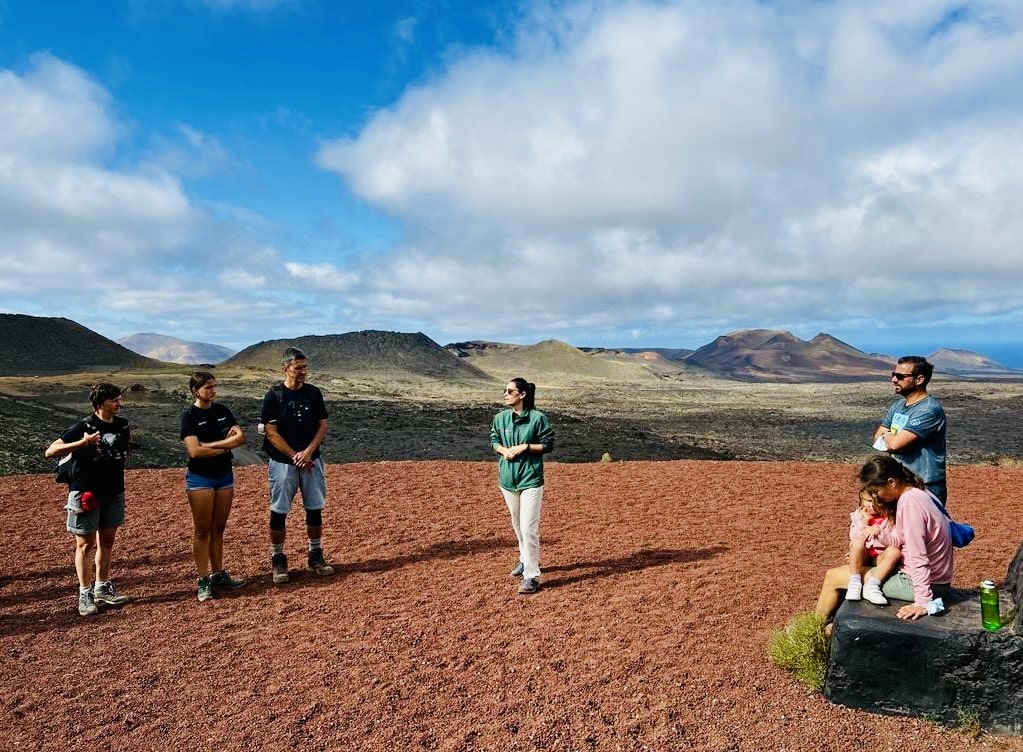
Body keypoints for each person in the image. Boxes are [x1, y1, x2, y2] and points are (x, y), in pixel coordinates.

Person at [816, 455, 953, 624]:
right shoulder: (917, 493)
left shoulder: (910, 504)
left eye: (876, 491)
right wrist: (877, 535)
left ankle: (812, 630)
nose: (876, 497)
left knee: (833, 577)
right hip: (934, 578)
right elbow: (898, 539)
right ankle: (830, 627)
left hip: (923, 582)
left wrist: (923, 601)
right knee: (854, 567)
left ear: (891, 482)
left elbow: (918, 555)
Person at [45, 383, 132, 616]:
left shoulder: (123, 425)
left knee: (107, 542)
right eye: (114, 400)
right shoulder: (83, 426)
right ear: (100, 403)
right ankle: (85, 593)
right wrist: (83, 443)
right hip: (85, 492)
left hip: (114, 490)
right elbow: (50, 451)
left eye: (119, 399)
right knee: (85, 544)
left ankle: (102, 587)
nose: (120, 404)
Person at [260, 347, 334, 584]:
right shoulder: (274, 396)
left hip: (311, 460)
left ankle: (315, 554)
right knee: (279, 510)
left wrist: (308, 452)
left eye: (305, 367)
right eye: (298, 368)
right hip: (283, 462)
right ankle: (278, 557)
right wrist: (295, 456)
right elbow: (271, 432)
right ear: (285, 368)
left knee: (314, 508)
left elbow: (322, 425)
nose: (303, 372)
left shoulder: (313, 393)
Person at [180, 372, 248, 602]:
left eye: (214, 387)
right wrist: (226, 445)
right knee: (202, 530)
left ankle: (218, 573)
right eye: (208, 387)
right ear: (195, 390)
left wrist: (212, 446)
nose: (213, 391)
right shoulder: (189, 416)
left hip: (224, 476)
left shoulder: (222, 411)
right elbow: (194, 451)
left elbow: (240, 438)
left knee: (218, 528)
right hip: (201, 478)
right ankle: (203, 579)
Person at [490, 377, 554, 595]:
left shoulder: (538, 418)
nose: (505, 394)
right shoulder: (500, 418)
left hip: (530, 479)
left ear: (522, 394)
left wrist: (525, 447)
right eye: (505, 390)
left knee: (529, 527)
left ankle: (532, 575)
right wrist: (503, 451)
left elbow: (548, 444)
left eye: (510, 391)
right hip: (507, 480)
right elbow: (494, 440)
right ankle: (525, 558)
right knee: (517, 523)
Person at [873, 355, 947, 503]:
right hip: (900, 485)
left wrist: (888, 436)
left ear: (919, 380)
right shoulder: (898, 406)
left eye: (900, 376)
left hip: (924, 487)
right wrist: (892, 438)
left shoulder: (928, 410)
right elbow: (877, 437)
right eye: (894, 375)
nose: (894, 380)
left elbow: (895, 444)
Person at [844, 488, 901, 606]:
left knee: (894, 551)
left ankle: (872, 585)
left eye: (871, 501)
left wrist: (879, 532)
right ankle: (855, 582)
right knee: (857, 543)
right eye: (864, 500)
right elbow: (853, 536)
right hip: (864, 555)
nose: (867, 505)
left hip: (880, 557)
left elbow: (895, 542)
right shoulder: (859, 515)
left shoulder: (891, 518)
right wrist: (865, 521)